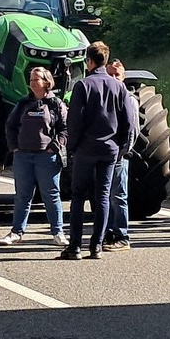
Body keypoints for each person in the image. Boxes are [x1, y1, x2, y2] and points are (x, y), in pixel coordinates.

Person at [65, 42, 134, 259]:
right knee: (103, 196)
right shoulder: (119, 87)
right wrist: (120, 146)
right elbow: (129, 121)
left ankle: (75, 246)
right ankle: (96, 245)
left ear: (90, 61)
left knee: (78, 196)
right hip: (110, 149)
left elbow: (74, 121)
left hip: (86, 148)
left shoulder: (83, 86)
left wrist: (72, 146)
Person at [0, 66, 66, 246]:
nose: (33, 83)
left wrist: (54, 146)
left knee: (51, 195)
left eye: (36, 79)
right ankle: (16, 232)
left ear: (46, 82)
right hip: (23, 157)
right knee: (22, 195)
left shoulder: (56, 104)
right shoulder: (22, 104)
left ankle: (58, 232)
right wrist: (14, 147)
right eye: (31, 80)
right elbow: (10, 126)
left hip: (47, 158)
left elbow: (65, 129)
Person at [101, 58, 136, 250]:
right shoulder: (103, 96)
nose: (114, 78)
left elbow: (132, 131)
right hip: (104, 155)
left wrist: (122, 152)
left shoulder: (128, 98)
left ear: (123, 78)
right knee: (104, 196)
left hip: (119, 156)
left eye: (117, 75)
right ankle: (107, 233)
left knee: (119, 196)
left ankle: (122, 236)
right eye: (111, 75)